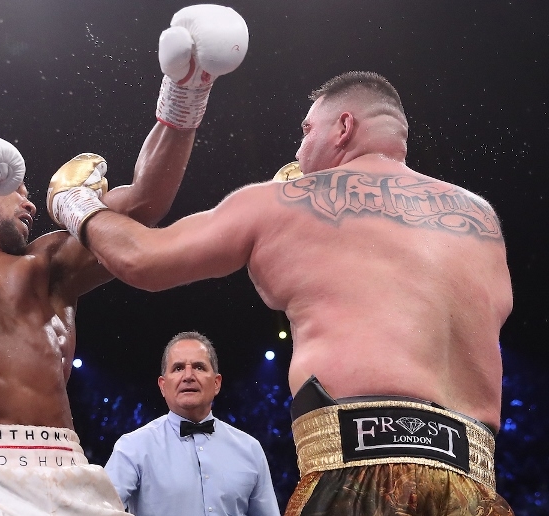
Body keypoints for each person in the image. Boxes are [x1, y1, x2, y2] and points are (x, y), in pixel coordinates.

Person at [56, 71, 515, 515]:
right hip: (475, 486)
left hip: (358, 477)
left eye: (307, 130)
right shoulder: (481, 219)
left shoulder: (284, 204)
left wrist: (75, 202)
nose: (299, 149)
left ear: (344, 127)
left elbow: (142, 259)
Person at [0, 5, 248, 515]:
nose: (29, 203)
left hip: (70, 470)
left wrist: (186, 92)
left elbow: (144, 205)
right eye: (14, 190)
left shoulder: (45, 266)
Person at [104, 331, 281, 516]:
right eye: (178, 368)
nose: (188, 376)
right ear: (163, 386)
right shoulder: (133, 447)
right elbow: (101, 509)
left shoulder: (250, 449)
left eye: (199, 367)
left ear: (217, 383)